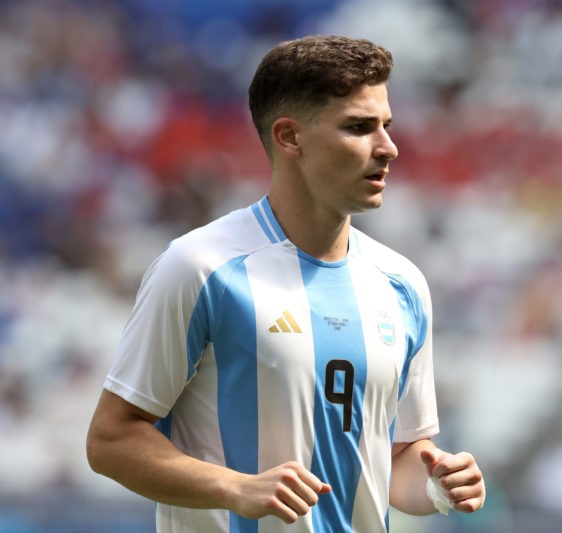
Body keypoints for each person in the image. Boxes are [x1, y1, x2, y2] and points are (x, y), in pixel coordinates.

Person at [86, 35, 485, 532]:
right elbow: (110, 441)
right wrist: (234, 486)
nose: (388, 147)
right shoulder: (201, 267)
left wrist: (437, 484)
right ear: (290, 137)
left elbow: (397, 456)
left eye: (386, 125)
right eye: (359, 128)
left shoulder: (401, 283)